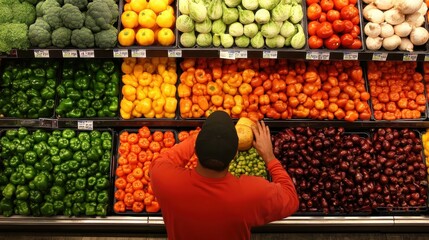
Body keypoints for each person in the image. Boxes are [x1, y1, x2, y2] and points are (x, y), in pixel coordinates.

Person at [150, 111, 299, 240]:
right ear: (235, 154)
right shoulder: (251, 193)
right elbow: (291, 198)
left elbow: (163, 160)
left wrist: (200, 138)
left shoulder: (164, 179)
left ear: (195, 150)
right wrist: (269, 157)